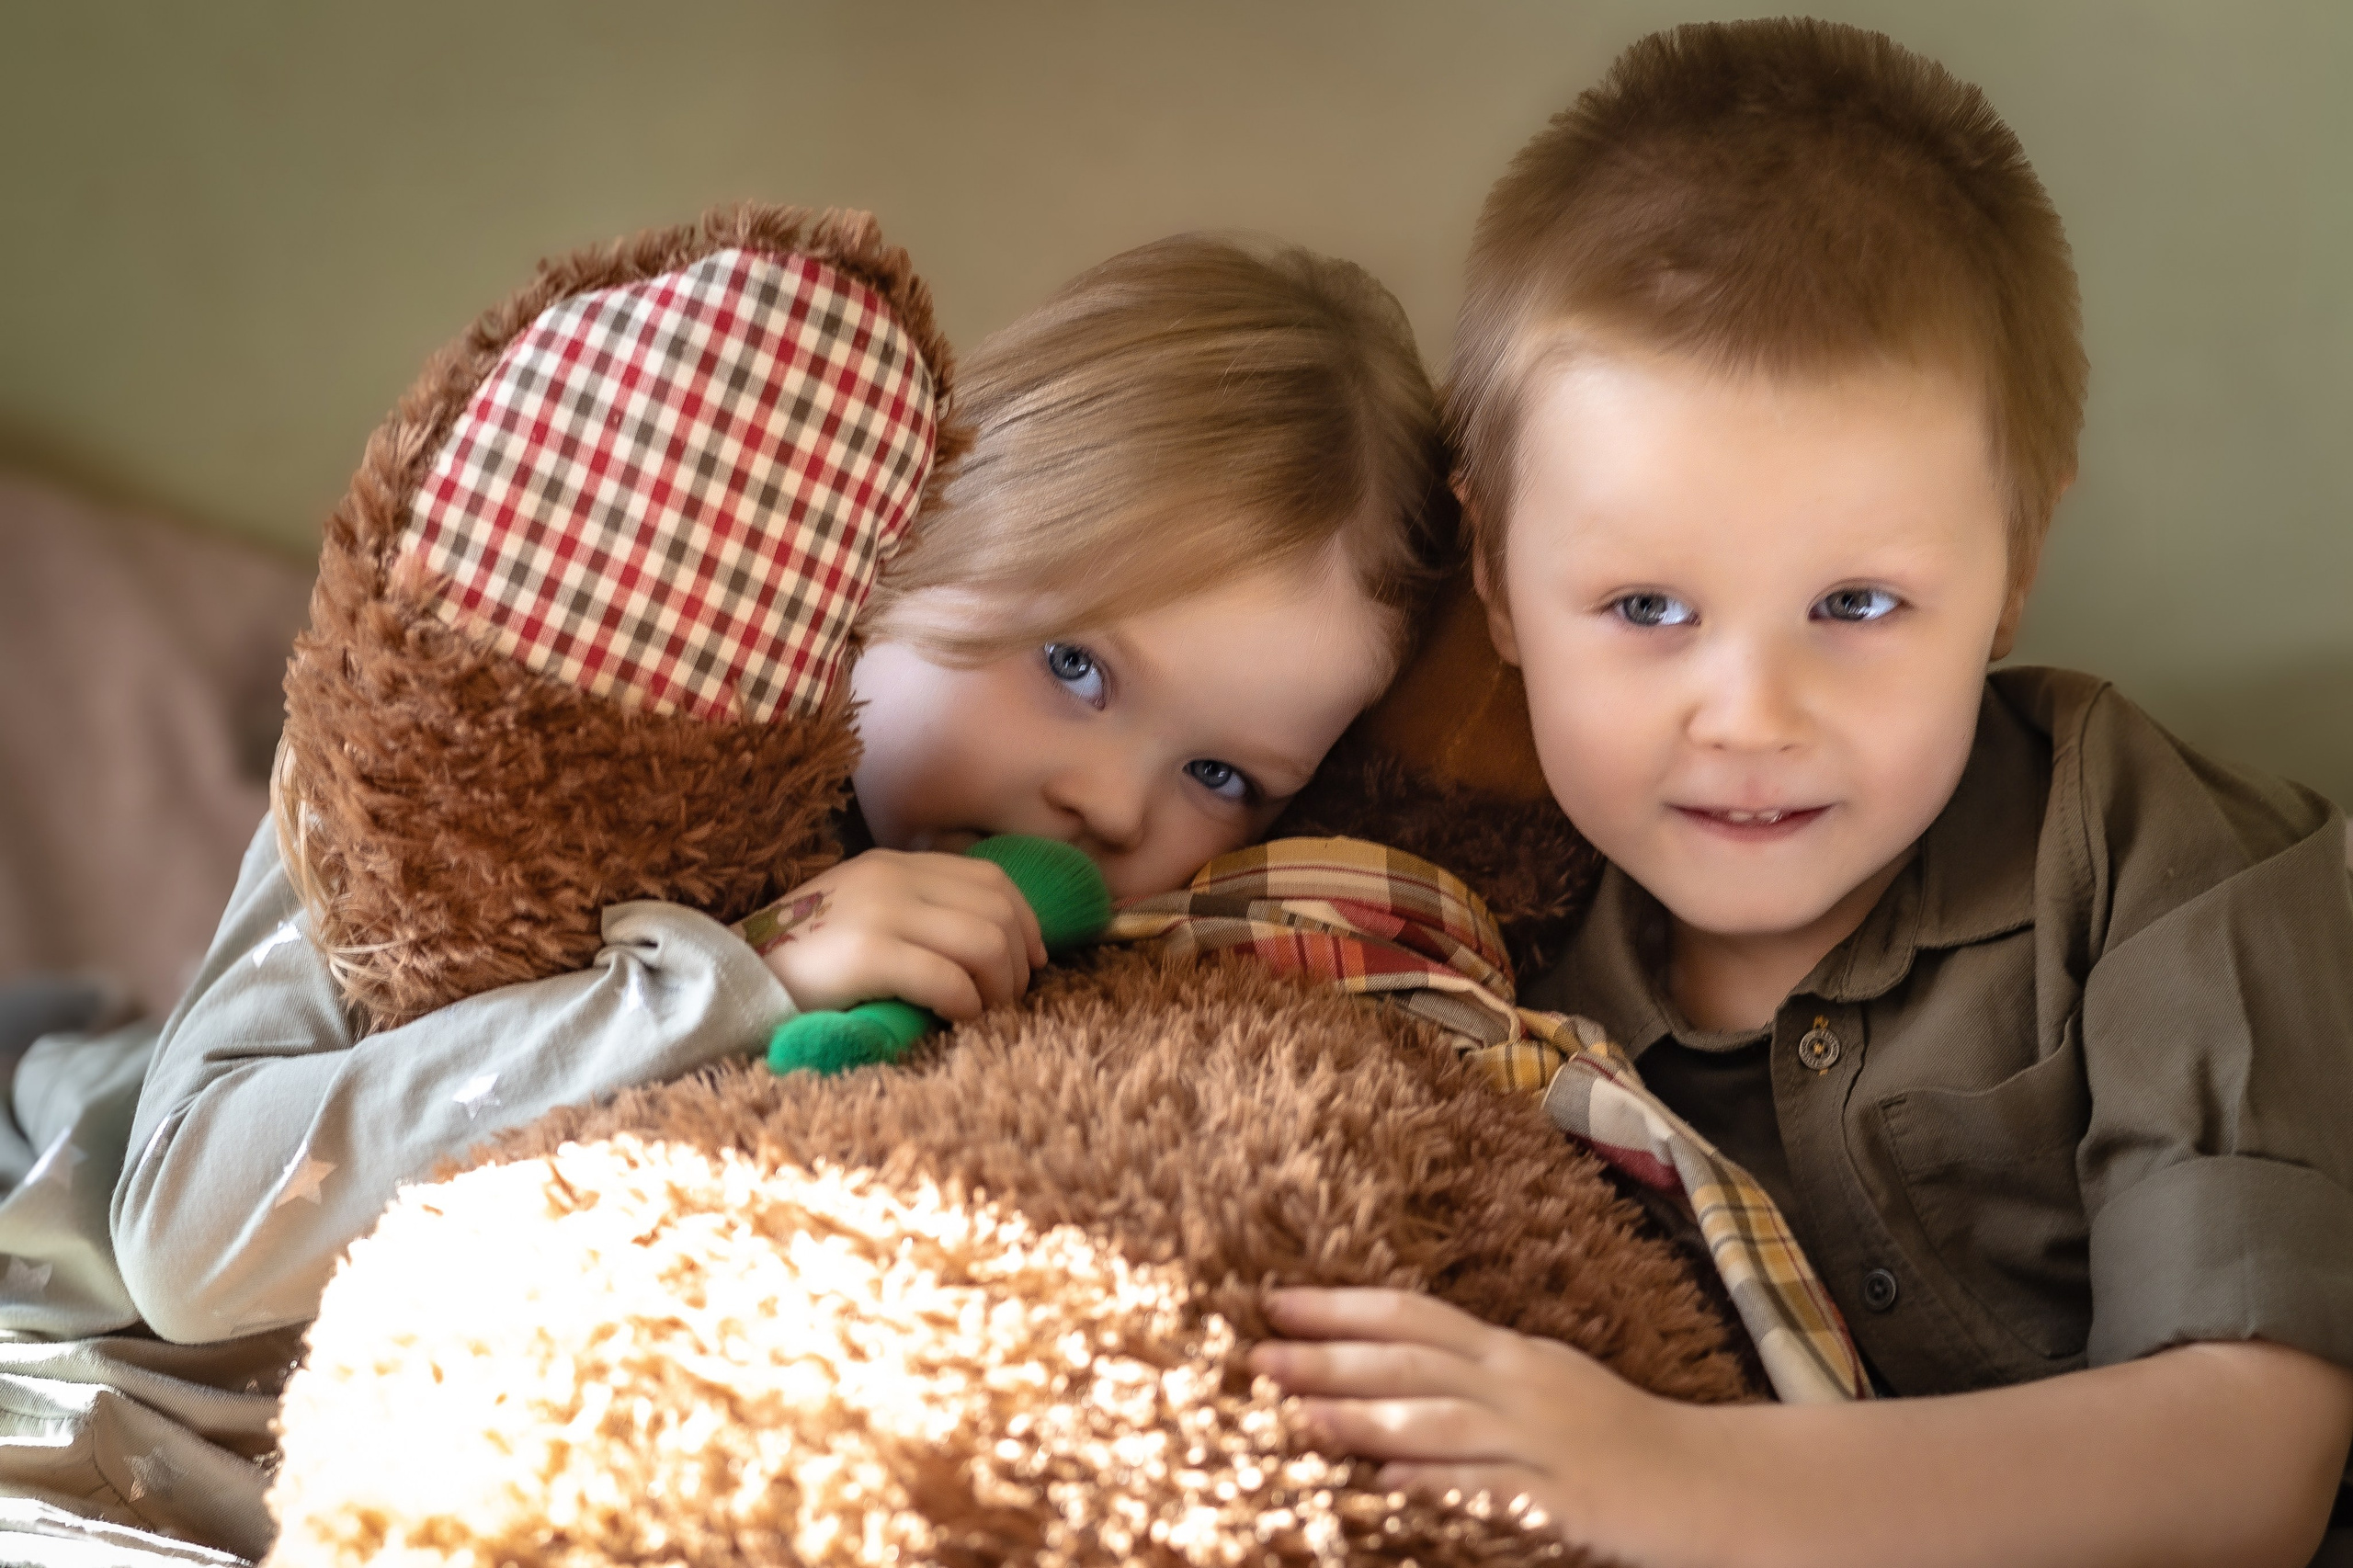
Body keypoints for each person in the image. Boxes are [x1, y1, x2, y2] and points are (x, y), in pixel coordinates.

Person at [1249, 19, 2353, 1567]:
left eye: (1858, 604)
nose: (1752, 716)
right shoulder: (1506, 1009)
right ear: (1494, 571)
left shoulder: (2159, 859)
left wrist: (1666, 1474)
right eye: (1644, 608)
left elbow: (2252, 1459)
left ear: (2015, 569)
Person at [105, 230, 1450, 1350]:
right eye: (1076, 666)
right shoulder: (508, 734)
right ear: (912, 532)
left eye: (1222, 774)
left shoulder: (1126, 960)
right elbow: (187, 1246)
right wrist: (741, 981)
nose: (1108, 802)